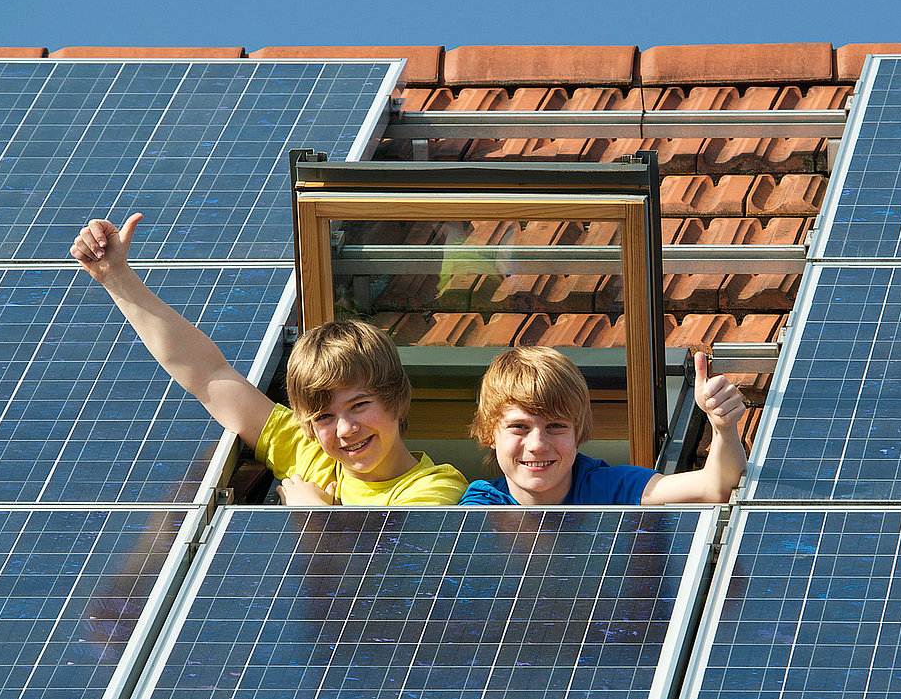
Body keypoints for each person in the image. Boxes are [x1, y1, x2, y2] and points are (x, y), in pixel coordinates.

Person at [70, 213, 467, 506]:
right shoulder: (309, 456)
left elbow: (390, 585)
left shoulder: (437, 490)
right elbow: (208, 374)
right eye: (323, 417)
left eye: (359, 405)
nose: (345, 429)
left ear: (396, 398)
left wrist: (316, 516)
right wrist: (116, 277)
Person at [459, 346, 748, 505]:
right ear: (489, 433)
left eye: (556, 426)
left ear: (578, 432)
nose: (537, 445)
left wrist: (723, 426)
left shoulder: (610, 489)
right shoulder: (479, 508)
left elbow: (715, 488)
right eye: (519, 427)